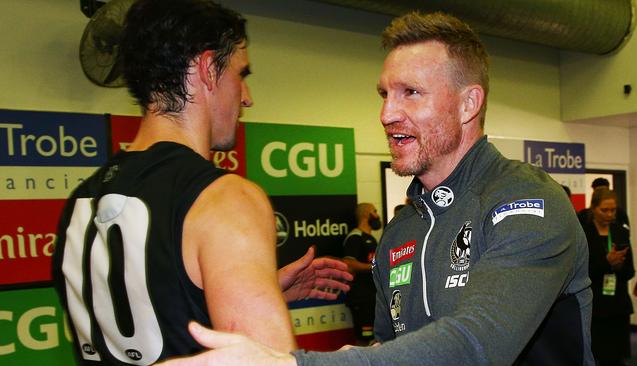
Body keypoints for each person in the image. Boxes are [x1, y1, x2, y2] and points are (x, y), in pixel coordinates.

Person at [156, 11, 594, 366]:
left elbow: (478, 345)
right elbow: (391, 348)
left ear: (468, 104)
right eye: (384, 93)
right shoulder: (402, 230)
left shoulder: (525, 202)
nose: (387, 114)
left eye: (410, 93)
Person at [51, 0, 351, 364]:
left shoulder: (83, 200)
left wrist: (251, 289)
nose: (247, 98)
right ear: (209, 69)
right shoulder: (225, 198)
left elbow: (150, 319)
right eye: (242, 75)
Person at [581, 187, 634, 365]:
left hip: (617, 303)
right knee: (596, 354)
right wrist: (607, 263)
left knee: (616, 356)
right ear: (593, 208)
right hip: (595, 303)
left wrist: (618, 266)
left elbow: (630, 272)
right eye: (605, 210)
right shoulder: (584, 233)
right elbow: (581, 272)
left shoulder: (621, 232)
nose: (610, 214)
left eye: (613, 210)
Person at [342, 203, 381, 345]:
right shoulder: (355, 237)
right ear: (366, 214)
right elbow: (348, 264)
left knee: (374, 337)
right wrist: (374, 267)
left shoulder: (372, 238)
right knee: (364, 338)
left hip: (372, 297)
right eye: (374, 211)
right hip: (361, 297)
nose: (377, 215)